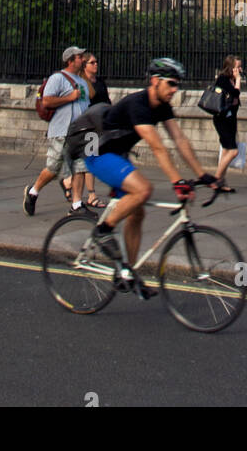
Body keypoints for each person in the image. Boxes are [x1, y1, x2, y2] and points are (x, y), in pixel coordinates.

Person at [75, 57, 219, 295]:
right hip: (98, 154)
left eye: (177, 85)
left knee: (137, 212)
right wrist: (177, 182)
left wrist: (203, 175)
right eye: (171, 83)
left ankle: (127, 273)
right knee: (143, 190)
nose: (175, 90)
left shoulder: (161, 106)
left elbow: (179, 139)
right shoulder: (138, 105)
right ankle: (103, 232)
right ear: (155, 81)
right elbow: (158, 147)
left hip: (118, 155)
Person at [23, 47, 89, 217]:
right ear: (70, 61)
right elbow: (46, 101)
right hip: (61, 130)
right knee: (53, 168)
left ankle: (76, 204)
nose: (83, 59)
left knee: (80, 167)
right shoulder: (57, 78)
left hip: (80, 132)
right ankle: (33, 191)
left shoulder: (82, 82)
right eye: (79, 57)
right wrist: (69, 97)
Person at [80, 52, 110, 211]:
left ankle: (68, 182)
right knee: (90, 159)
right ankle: (91, 195)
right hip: (89, 126)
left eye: (96, 62)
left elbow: (107, 101)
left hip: (101, 125)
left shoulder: (100, 82)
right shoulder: (82, 84)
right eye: (92, 62)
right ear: (85, 66)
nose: (96, 64)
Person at [212, 54, 243, 193]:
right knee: (233, 151)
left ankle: (221, 182)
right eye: (237, 67)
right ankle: (217, 179)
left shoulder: (230, 79)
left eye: (240, 67)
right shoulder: (223, 79)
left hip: (231, 118)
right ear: (230, 67)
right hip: (222, 119)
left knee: (225, 150)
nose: (239, 69)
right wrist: (238, 81)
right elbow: (235, 94)